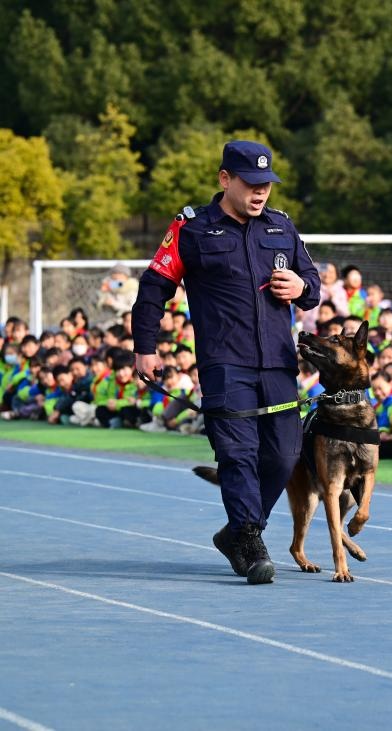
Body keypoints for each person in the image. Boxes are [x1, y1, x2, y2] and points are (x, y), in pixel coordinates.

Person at [132, 140, 321, 585]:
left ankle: (239, 530)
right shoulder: (192, 228)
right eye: (251, 184)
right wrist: (146, 346)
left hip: (277, 363)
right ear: (225, 179)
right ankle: (251, 545)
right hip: (224, 364)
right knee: (238, 454)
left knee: (283, 456)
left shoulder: (281, 227)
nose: (261, 193)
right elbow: (153, 287)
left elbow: (312, 282)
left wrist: (302, 287)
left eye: (267, 185)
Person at [95, 263, 140, 328]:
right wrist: (101, 295)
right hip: (109, 323)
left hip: (125, 324)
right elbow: (99, 306)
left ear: (125, 276)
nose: (115, 279)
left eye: (118, 275)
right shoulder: (109, 288)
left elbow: (132, 309)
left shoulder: (132, 290)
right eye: (113, 277)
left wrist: (113, 303)